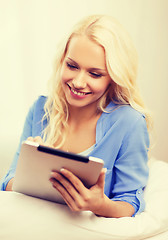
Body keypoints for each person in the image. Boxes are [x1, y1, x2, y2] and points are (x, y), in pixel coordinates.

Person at [0, 15, 152, 218]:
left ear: (113, 78)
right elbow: (8, 182)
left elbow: (130, 201)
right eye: (72, 66)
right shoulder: (40, 109)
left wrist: (100, 205)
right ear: (62, 61)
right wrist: (32, 169)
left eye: (95, 74)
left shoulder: (129, 123)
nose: (79, 82)